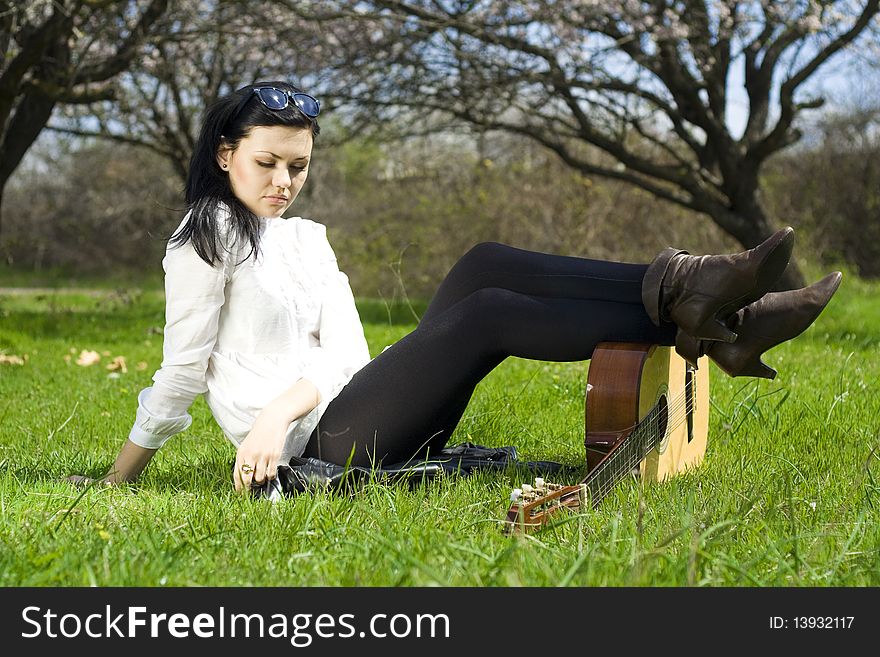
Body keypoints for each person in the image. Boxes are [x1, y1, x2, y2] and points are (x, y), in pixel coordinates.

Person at [69, 80, 842, 493]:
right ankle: (708, 314)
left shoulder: (307, 239)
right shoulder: (201, 240)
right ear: (227, 154)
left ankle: (694, 291)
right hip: (321, 451)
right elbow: (178, 372)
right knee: (489, 312)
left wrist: (285, 399)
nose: (283, 181)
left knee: (482, 262)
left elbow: (347, 351)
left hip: (356, 410)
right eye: (266, 162)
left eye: (298, 166)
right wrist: (116, 478)